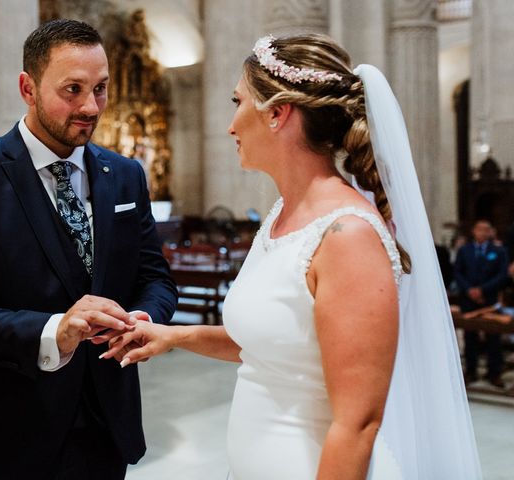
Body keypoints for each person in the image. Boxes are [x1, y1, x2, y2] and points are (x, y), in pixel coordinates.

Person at [99, 34, 482, 479]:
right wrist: (172, 336)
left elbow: (357, 424)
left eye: (237, 101)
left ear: (278, 114)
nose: (230, 125)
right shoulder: (285, 212)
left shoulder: (347, 236)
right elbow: (272, 343)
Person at [0, 19, 177, 480]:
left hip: (104, 427)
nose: (90, 106)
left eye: (100, 89)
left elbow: (154, 277)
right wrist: (53, 331)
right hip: (1, 435)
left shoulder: (124, 175)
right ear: (28, 87)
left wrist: (142, 320)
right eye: (72, 89)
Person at [454, 219, 509, 387]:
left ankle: (494, 372)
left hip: (489, 299)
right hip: (468, 298)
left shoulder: (499, 251)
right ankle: (471, 370)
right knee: (470, 335)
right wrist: (470, 290)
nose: (482, 233)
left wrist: (483, 290)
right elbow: (457, 271)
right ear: (473, 231)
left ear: (490, 232)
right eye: (479, 229)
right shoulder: (465, 250)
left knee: (493, 335)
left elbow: (502, 275)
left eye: (486, 230)